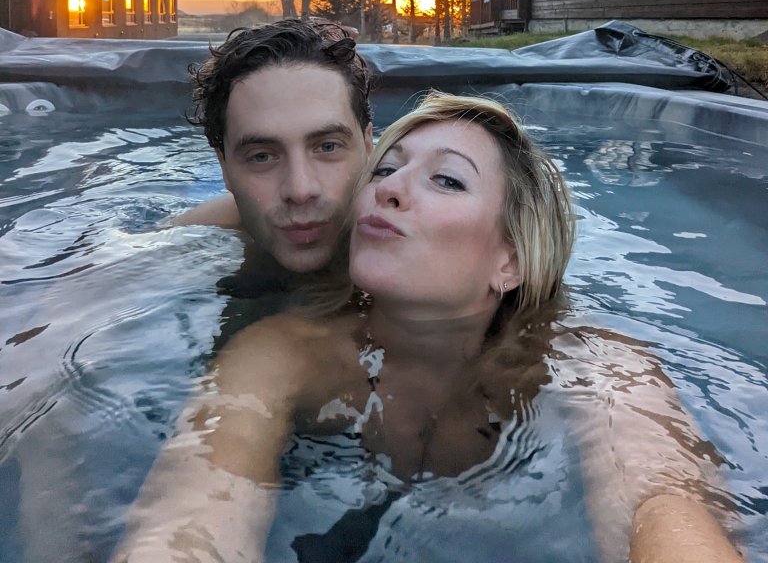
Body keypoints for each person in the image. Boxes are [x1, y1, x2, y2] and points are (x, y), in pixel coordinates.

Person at [111, 92, 741, 563]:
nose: (388, 190)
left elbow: (664, 502)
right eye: (385, 169)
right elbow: (196, 506)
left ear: (511, 260)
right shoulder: (287, 350)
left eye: (446, 179)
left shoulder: (597, 365)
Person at [173, 18, 374, 287]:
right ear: (224, 168)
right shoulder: (179, 243)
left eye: (328, 146)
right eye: (262, 156)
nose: (300, 191)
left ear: (369, 147)